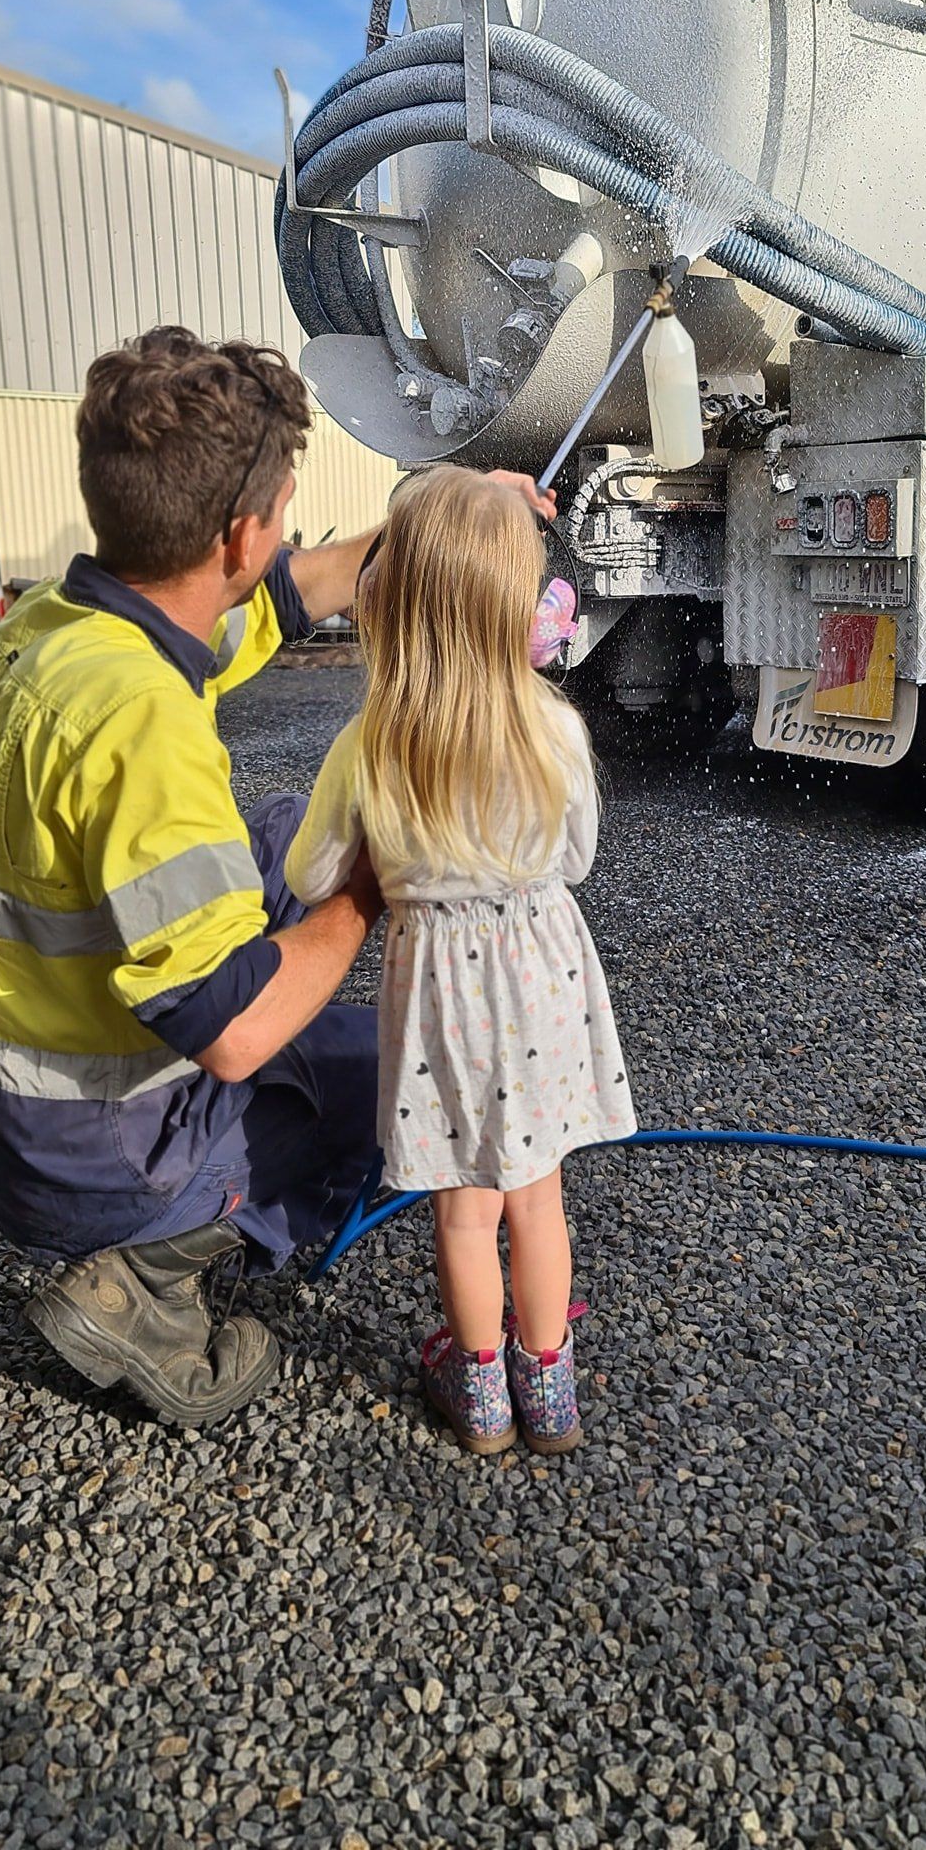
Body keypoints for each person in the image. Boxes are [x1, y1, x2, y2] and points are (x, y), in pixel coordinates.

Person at [0, 327, 550, 1427]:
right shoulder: (141, 728)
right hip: (85, 1141)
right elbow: (235, 1031)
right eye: (285, 509)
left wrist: (432, 525)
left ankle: (136, 1224)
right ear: (243, 531)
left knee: (271, 833)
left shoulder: (61, 620)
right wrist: (369, 881)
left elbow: (285, 599)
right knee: (412, 1069)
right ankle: (142, 1277)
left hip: (0, 1087)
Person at [284, 465, 636, 1456]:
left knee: (463, 1210)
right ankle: (550, 1385)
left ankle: (479, 1392)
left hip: (437, 987)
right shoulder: (555, 725)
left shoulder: (371, 740)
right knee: (539, 1197)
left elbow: (311, 871)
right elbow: (577, 858)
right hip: (541, 977)